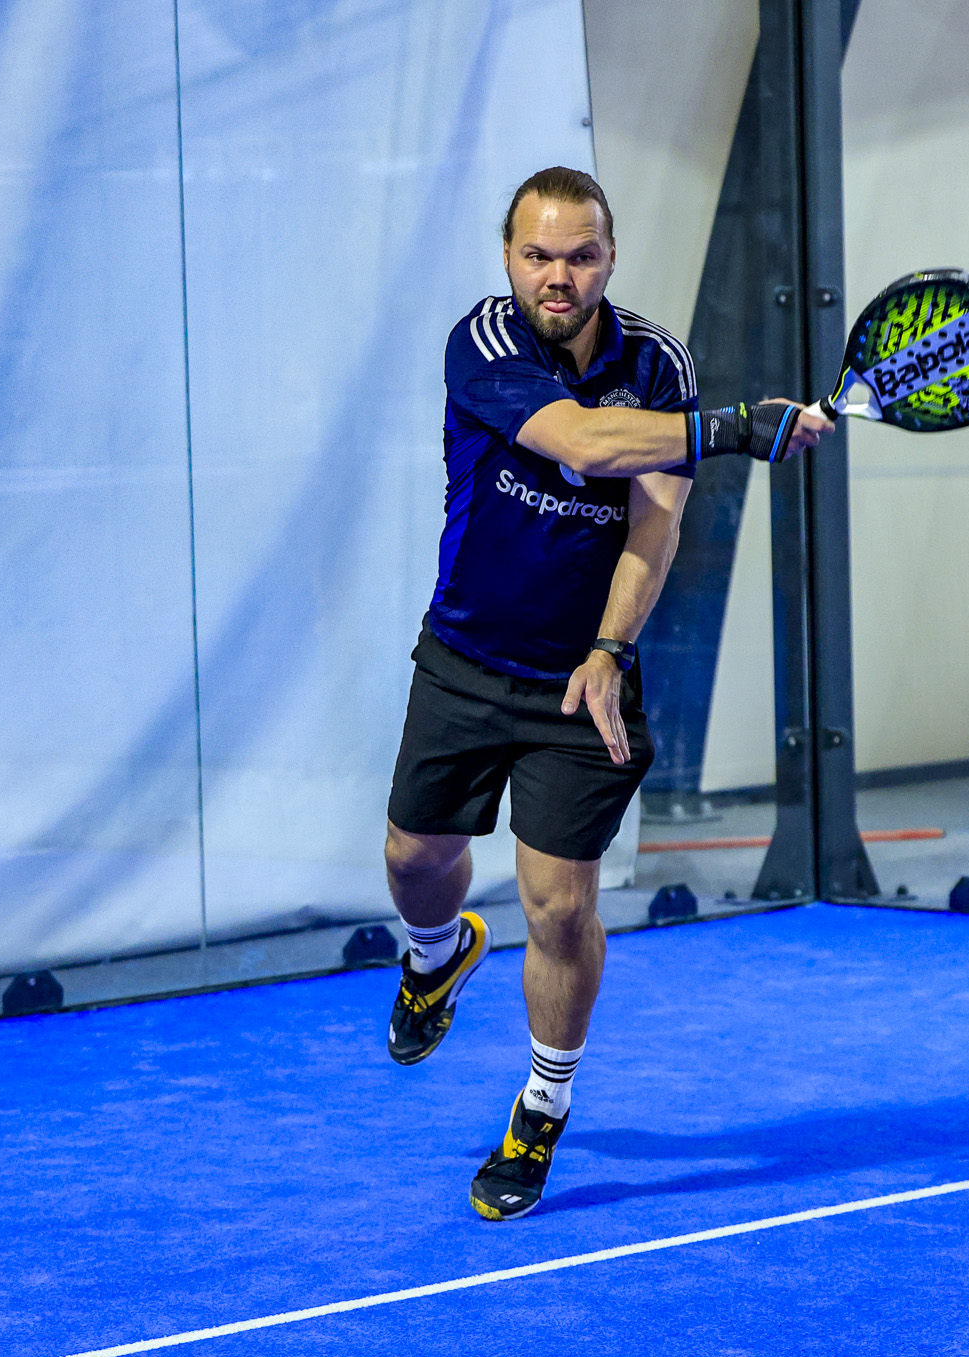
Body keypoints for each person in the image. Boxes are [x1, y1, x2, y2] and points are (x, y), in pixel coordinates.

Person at [380, 166, 829, 1220]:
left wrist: (608, 648)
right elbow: (579, 442)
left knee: (561, 903)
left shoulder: (656, 360)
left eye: (579, 255)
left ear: (609, 259)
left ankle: (540, 1106)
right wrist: (730, 427)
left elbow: (652, 522)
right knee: (412, 857)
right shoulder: (481, 344)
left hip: (583, 684)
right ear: (507, 258)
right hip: (461, 656)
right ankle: (434, 956)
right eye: (537, 254)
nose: (558, 275)